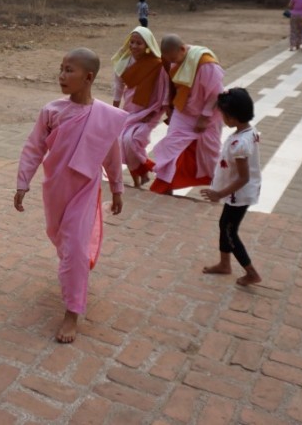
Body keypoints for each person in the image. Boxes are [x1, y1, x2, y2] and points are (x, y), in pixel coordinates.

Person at [15, 48, 127, 343]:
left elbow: (112, 156)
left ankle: (72, 311)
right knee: (61, 240)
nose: (62, 75)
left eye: (70, 70)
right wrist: (22, 182)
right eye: (61, 69)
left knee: (75, 246)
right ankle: (73, 270)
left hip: (85, 191)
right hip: (55, 190)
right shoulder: (51, 111)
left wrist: (116, 188)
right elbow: (34, 148)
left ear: (88, 77)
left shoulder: (105, 117)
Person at [199, 88, 263, 287]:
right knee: (225, 225)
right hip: (236, 192)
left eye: (224, 115)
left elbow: (243, 177)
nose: (222, 119)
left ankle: (251, 272)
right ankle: (224, 263)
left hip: (239, 194)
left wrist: (219, 193)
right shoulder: (248, 132)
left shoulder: (240, 144)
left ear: (233, 117)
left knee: (229, 231)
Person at [150, 35, 224, 195]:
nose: (173, 62)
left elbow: (216, 94)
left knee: (210, 152)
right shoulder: (173, 62)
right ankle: (165, 185)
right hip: (183, 111)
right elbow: (171, 86)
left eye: (175, 58)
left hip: (208, 114)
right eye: (170, 60)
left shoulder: (205, 63)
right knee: (170, 146)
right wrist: (168, 106)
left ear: (183, 49)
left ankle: (219, 189)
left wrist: (204, 117)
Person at [111, 26, 170, 187]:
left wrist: (158, 111)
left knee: (133, 140)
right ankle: (138, 179)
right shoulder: (123, 61)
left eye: (139, 43)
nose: (134, 46)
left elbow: (164, 89)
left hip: (151, 110)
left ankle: (147, 168)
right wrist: (115, 109)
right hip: (130, 109)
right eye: (132, 42)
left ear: (147, 46)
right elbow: (118, 87)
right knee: (123, 141)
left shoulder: (157, 65)